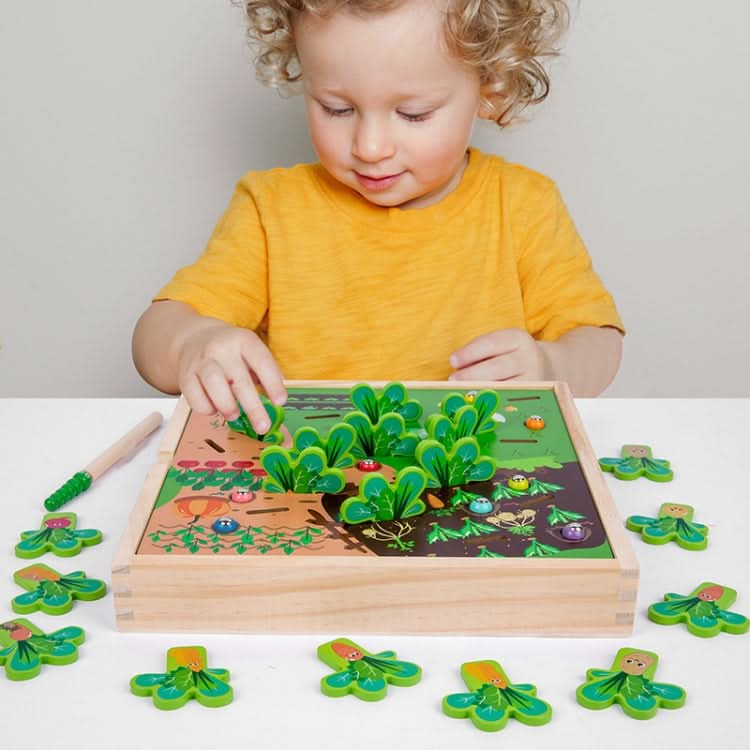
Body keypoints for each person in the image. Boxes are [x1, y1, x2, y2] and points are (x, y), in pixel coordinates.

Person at [132, 0, 624, 435]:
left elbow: (596, 342)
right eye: (336, 108)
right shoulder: (270, 208)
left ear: (490, 87)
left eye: (413, 114)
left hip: (477, 486)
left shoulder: (523, 205)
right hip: (307, 484)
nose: (370, 148)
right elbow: (155, 334)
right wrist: (193, 343)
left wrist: (551, 364)